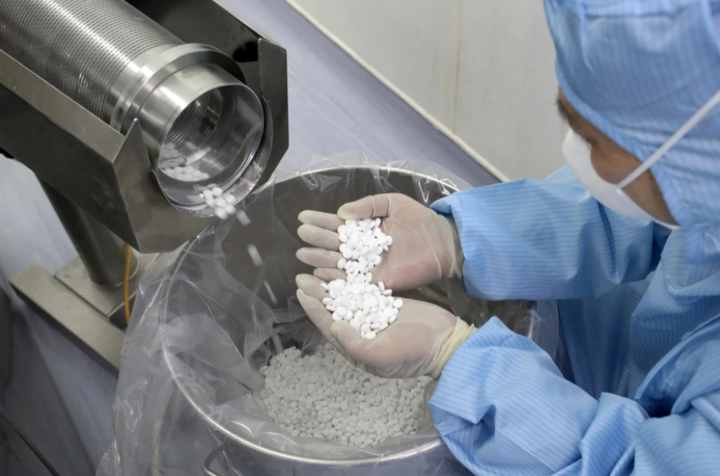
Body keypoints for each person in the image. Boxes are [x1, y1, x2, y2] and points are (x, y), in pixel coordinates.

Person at [294, 0, 720, 474]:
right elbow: (640, 214)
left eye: (592, 137)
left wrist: (455, 355)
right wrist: (457, 239)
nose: (573, 150)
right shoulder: (701, 180)